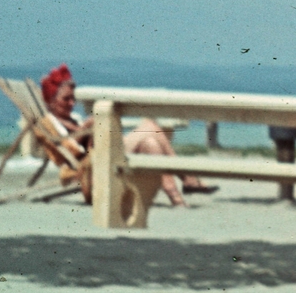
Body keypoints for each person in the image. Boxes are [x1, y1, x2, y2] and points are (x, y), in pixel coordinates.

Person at [39, 63, 215, 206]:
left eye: (73, 98)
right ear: (51, 100)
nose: (71, 103)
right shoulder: (50, 124)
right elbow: (67, 151)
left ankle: (176, 198)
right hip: (94, 170)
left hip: (106, 160)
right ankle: (189, 179)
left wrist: (88, 127)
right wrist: (87, 127)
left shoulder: (71, 119)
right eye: (66, 99)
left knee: (150, 143)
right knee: (149, 124)